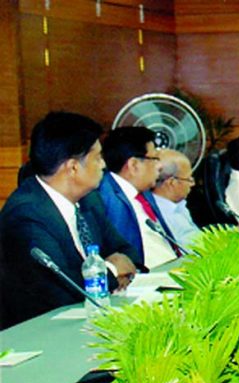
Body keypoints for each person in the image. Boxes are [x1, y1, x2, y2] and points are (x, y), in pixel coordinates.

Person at [0, 112, 138, 327]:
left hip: (92, 321)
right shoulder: (26, 215)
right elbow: (58, 290)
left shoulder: (89, 201)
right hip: (40, 335)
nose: (103, 165)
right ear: (73, 167)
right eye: (98, 157)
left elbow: (127, 252)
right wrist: (110, 271)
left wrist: (116, 266)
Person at [97, 127, 179, 270]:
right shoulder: (105, 195)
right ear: (134, 165)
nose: (159, 166)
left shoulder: (144, 192)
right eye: (154, 159)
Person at [151, 149, 201, 248]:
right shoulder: (162, 217)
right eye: (189, 179)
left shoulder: (177, 204)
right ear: (171, 183)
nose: (193, 184)